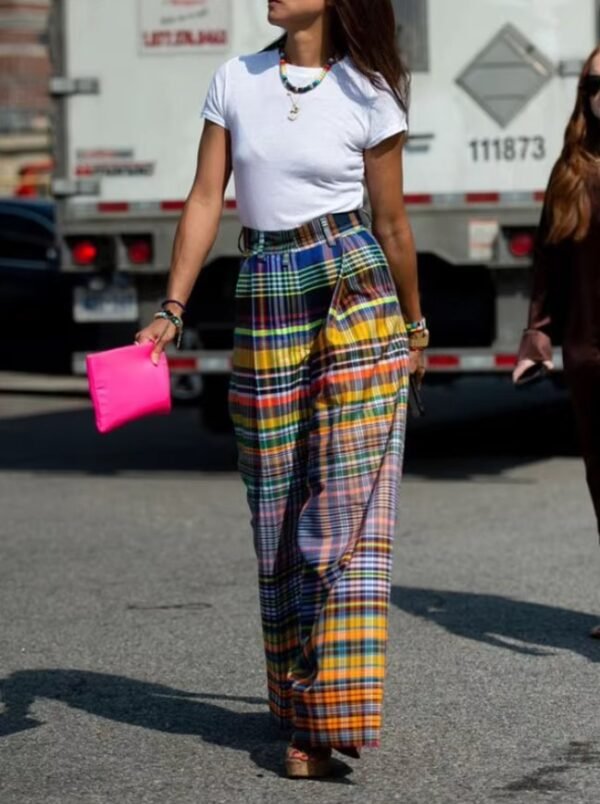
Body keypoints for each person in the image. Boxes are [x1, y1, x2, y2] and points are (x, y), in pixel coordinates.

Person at [136, 0, 428, 777]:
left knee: (344, 503)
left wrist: (415, 327)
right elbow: (206, 198)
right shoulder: (236, 78)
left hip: (353, 285)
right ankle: (297, 704)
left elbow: (393, 224)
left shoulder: (373, 90)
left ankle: (320, 721)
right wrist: (171, 309)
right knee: (277, 508)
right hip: (266, 284)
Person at [514, 46, 600, 639]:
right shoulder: (571, 173)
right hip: (590, 354)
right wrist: (537, 337)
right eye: (595, 82)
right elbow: (549, 268)